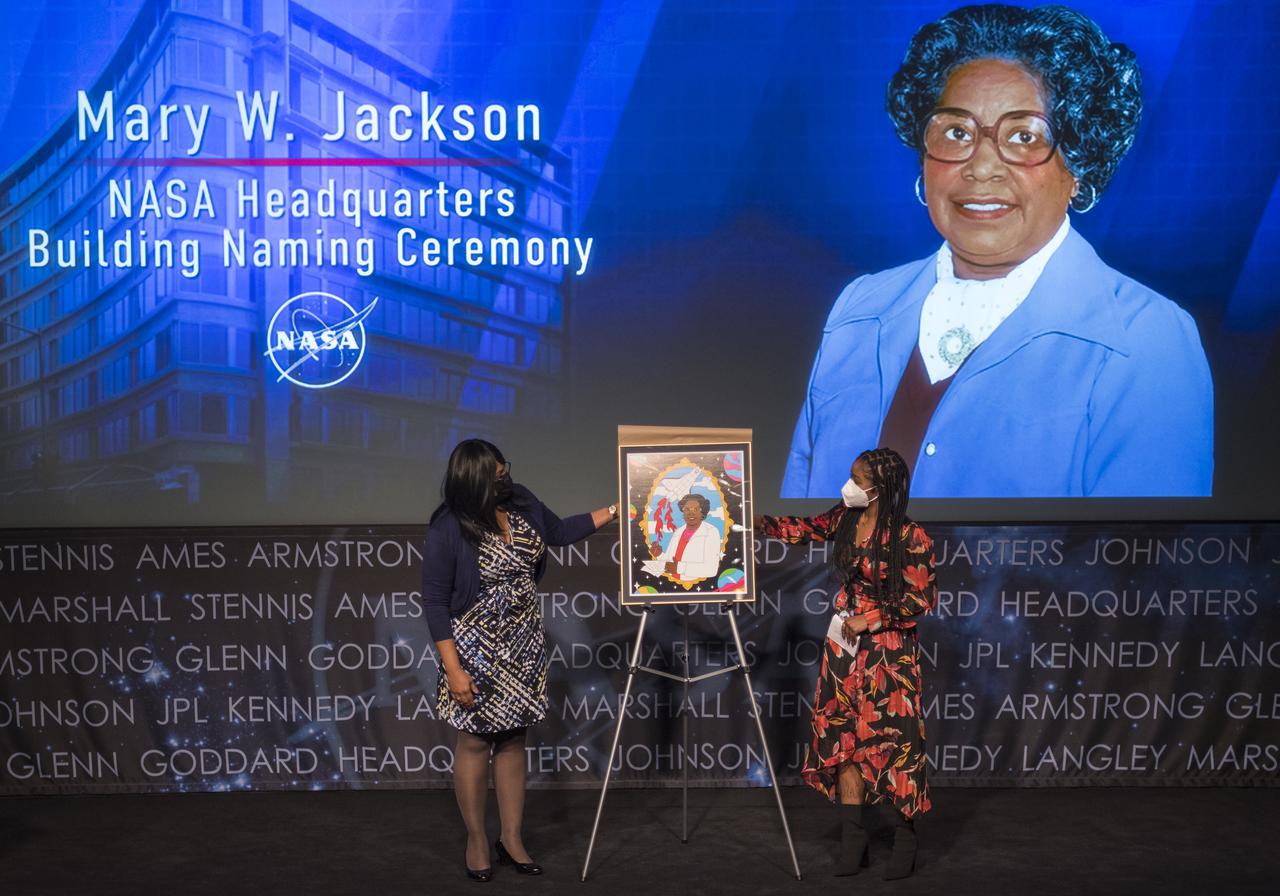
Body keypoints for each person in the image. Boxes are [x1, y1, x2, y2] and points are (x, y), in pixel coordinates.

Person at [783, 4, 1213, 499]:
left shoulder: (1147, 341)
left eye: (1024, 136)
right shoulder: (858, 310)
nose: (981, 167)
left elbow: (1141, 568)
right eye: (957, 132)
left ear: (1078, 167)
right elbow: (798, 547)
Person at [421, 439, 618, 882]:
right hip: (474, 649)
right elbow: (434, 602)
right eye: (496, 470)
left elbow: (561, 533)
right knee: (474, 742)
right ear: (474, 476)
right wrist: (453, 670)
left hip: (525, 645)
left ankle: (511, 838)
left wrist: (616, 510)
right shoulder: (448, 526)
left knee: (513, 741)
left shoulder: (521, 501)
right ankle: (476, 840)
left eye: (504, 466)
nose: (505, 474)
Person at [757, 448, 935, 880]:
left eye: (858, 478)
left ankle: (905, 838)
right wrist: (756, 522)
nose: (849, 484)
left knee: (895, 743)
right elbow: (807, 528)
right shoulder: (847, 517)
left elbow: (920, 600)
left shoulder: (912, 537)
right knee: (844, 741)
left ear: (881, 486)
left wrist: (868, 618)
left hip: (888, 654)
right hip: (843, 650)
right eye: (851, 475)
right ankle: (854, 840)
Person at [647, 492, 723, 582]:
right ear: (683, 512)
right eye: (687, 509)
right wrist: (659, 555)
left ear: (703, 512)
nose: (691, 513)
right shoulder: (678, 532)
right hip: (672, 582)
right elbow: (670, 563)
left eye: (696, 509)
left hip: (695, 587)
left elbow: (711, 570)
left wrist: (679, 568)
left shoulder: (711, 532)